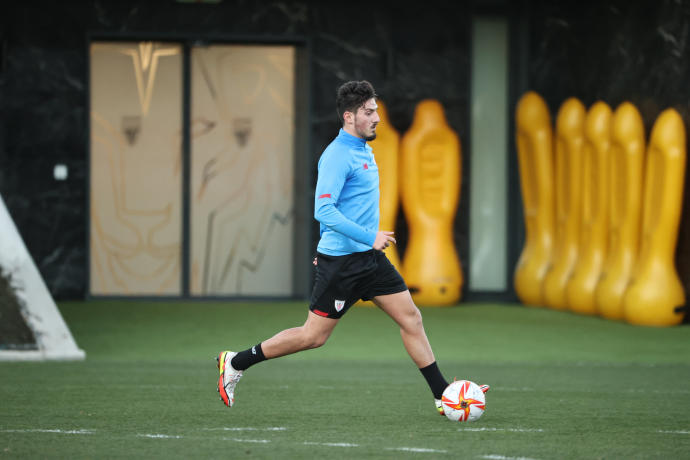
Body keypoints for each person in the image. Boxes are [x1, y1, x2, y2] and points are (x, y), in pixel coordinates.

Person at [217, 80, 488, 415]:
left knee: (411, 318)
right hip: (340, 264)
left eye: (376, 110)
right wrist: (368, 235)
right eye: (369, 112)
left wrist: (369, 243)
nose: (377, 117)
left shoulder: (364, 149)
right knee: (313, 337)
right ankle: (236, 361)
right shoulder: (336, 156)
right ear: (349, 116)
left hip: (370, 260)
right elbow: (323, 210)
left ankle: (441, 394)